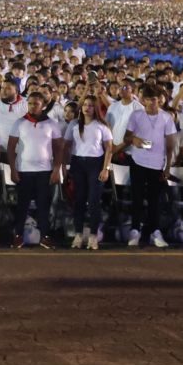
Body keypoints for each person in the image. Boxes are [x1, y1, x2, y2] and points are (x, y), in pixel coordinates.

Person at [123, 85, 178, 248]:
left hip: (157, 164)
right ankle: (135, 230)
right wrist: (134, 140)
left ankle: (155, 231)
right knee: (137, 197)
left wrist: (168, 167)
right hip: (138, 161)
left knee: (155, 200)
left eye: (155, 99)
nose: (153, 102)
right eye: (149, 99)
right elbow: (126, 137)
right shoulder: (136, 115)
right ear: (143, 100)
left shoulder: (166, 117)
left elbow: (170, 145)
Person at [7, 92, 63, 248]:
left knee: (43, 205)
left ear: (43, 105)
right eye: (30, 103)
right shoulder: (19, 123)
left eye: (36, 104)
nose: (32, 106)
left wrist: (56, 170)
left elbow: (59, 149)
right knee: (22, 205)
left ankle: (45, 236)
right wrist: (13, 169)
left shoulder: (51, 124)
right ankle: (18, 236)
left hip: (45, 171)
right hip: (24, 171)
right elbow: (11, 148)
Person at [64, 95, 113, 250]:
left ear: (95, 108)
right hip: (78, 163)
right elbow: (66, 145)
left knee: (93, 201)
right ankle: (78, 235)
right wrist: (65, 166)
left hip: (96, 164)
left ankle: (93, 236)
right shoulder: (74, 124)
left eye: (91, 105)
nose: (87, 107)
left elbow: (109, 149)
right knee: (78, 200)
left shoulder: (102, 125)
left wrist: (105, 169)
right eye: (85, 104)